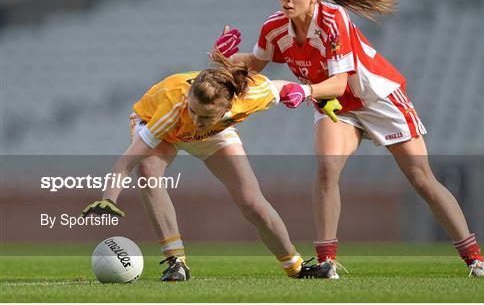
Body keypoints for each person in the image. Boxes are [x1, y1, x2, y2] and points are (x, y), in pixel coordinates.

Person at [228, 0, 484, 278]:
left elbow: (340, 83)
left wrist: (304, 89)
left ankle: (476, 259)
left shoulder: (333, 18)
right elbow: (255, 65)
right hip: (337, 107)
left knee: (422, 179)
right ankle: (327, 262)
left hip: (378, 98)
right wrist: (227, 57)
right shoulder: (274, 28)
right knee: (327, 168)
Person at [81, 41, 333, 281]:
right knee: (148, 172)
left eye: (203, 115)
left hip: (216, 132)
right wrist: (108, 198)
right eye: (193, 110)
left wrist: (321, 97)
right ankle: (176, 262)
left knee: (253, 203)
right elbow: (126, 163)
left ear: (226, 109)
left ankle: (296, 267)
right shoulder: (175, 106)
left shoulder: (251, 95)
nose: (195, 118)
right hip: (165, 129)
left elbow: (287, 88)